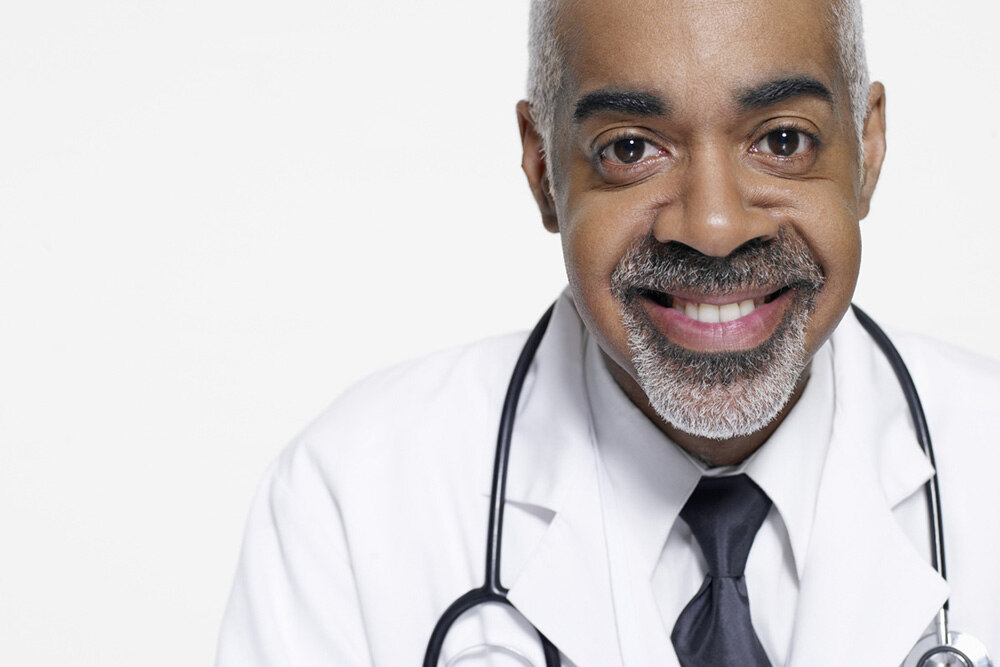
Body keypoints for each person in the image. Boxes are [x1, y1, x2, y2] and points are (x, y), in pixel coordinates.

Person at [216, 0, 1000, 665]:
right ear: (542, 169)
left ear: (867, 149)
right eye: (631, 149)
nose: (714, 226)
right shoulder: (349, 504)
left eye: (782, 140)